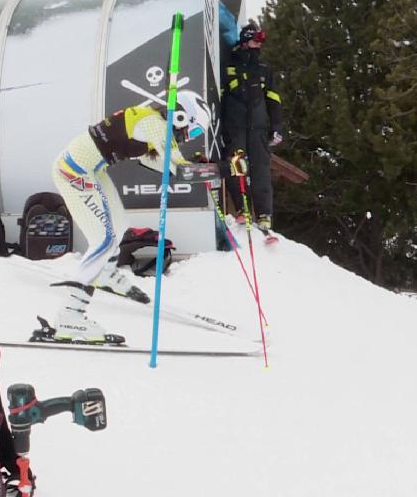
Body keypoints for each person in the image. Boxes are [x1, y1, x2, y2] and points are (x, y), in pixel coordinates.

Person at [48, 91, 210, 343]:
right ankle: (69, 315)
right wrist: (226, 169)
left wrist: (201, 165)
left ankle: (105, 272)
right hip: (74, 170)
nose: (191, 136)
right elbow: (181, 170)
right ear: (181, 116)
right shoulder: (156, 125)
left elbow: (164, 166)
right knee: (103, 240)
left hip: (89, 168)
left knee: (120, 224)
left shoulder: (152, 126)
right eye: (196, 130)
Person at [220, 20, 283, 230]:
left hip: (259, 129)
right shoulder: (229, 65)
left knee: (261, 170)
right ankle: (242, 209)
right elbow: (219, 97)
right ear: (246, 42)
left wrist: (277, 126)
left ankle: (264, 215)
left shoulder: (265, 68)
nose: (259, 46)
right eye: (256, 41)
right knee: (235, 167)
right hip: (235, 127)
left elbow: (273, 99)